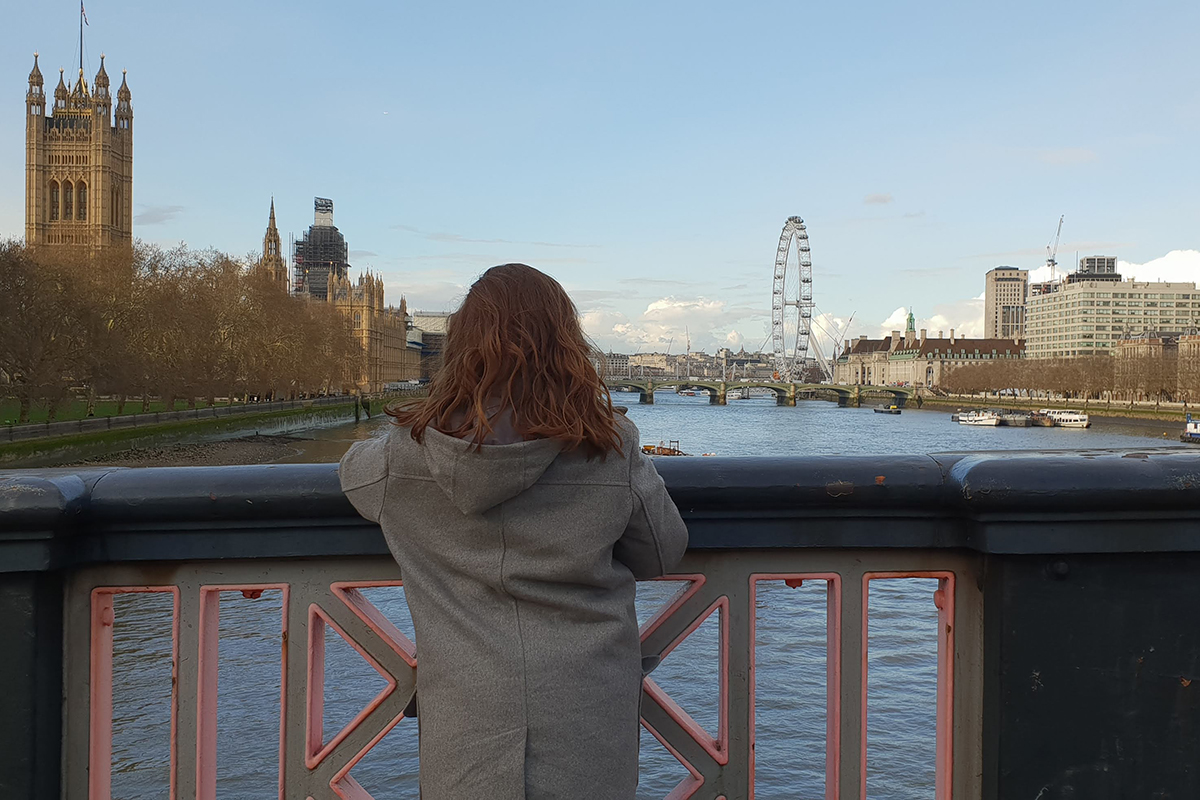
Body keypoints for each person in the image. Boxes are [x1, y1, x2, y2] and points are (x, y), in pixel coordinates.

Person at [339, 263, 688, 799]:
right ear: (567, 345)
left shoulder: (404, 456)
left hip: (465, 718)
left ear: (460, 347)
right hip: (588, 711)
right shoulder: (609, 445)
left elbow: (351, 475)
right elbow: (663, 550)